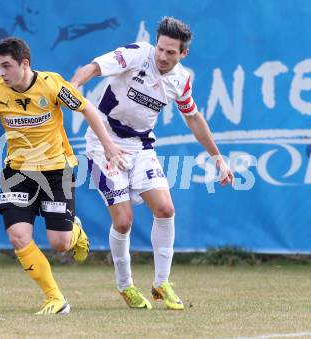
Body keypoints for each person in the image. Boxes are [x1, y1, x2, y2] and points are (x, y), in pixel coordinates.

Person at [0, 37, 126, 315]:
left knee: (60, 244)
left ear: (24, 64)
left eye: (6, 66)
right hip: (18, 172)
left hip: (57, 171)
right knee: (18, 236)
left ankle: (75, 231)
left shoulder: (52, 84)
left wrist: (108, 146)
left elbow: (87, 109)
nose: (1, 73)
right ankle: (55, 298)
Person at [71, 16, 234, 310]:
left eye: (171, 52)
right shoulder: (137, 53)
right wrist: (70, 88)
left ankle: (162, 283)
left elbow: (194, 118)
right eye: (161, 48)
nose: (162, 56)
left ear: (183, 54)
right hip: (103, 142)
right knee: (123, 221)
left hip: (141, 146)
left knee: (166, 208)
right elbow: (94, 68)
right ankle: (126, 286)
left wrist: (218, 158)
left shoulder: (181, 80)